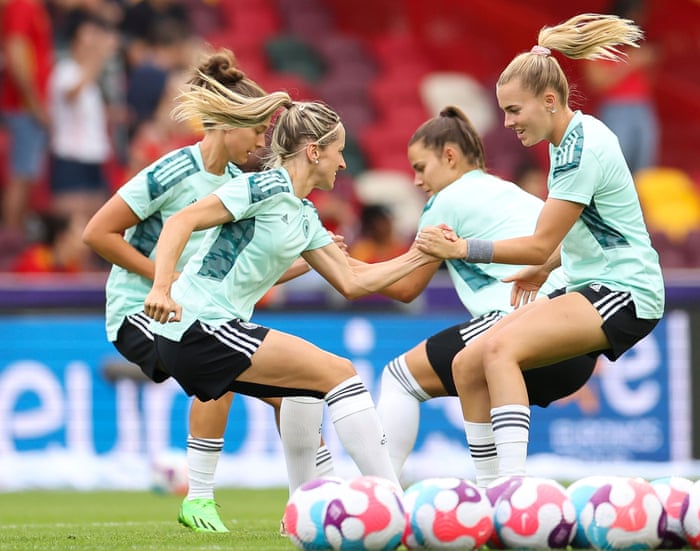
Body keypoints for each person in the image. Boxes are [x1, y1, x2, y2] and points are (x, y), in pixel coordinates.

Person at [141, 97, 440, 522]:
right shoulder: (262, 187)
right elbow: (178, 222)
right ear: (314, 151)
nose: (342, 162)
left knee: (303, 395)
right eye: (338, 150)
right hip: (195, 323)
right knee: (341, 374)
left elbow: (352, 281)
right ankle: (395, 504)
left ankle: (304, 513)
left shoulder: (304, 215)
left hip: (209, 328)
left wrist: (421, 254)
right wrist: (161, 288)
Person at [83, 49, 330, 534]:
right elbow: (97, 234)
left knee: (296, 392)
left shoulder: (242, 184)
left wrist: (304, 263)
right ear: (223, 123)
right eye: (256, 129)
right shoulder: (173, 172)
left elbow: (239, 272)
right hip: (139, 310)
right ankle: (198, 499)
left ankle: (310, 505)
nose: (262, 142)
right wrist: (164, 278)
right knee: (217, 357)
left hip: (195, 308)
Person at [414, 14, 664, 481]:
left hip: (626, 289)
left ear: (549, 101)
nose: (506, 123)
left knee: (498, 350)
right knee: (468, 362)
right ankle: (490, 494)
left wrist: (463, 248)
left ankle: (511, 491)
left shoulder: (579, 148)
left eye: (514, 110)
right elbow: (577, 232)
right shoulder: (568, 141)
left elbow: (541, 240)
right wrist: (546, 266)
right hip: (593, 283)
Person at [374, 106, 597, 486]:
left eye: (421, 167)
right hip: (576, 346)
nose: (415, 180)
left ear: (450, 156)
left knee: (398, 379)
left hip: (517, 325)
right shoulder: (510, 192)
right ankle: (499, 497)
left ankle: (381, 497)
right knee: (476, 377)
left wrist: (334, 263)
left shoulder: (446, 201)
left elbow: (406, 287)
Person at [48, 12, 119, 226]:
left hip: (94, 155)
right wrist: (99, 58)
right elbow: (71, 94)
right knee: (71, 219)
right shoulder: (64, 70)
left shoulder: (89, 77)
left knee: (95, 217)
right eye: (87, 38)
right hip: (72, 154)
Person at [582, 0, 659, 175]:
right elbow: (597, 82)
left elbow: (649, 80)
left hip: (643, 106)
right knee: (617, 165)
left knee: (644, 166)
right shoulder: (599, 45)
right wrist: (631, 63)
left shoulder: (638, 42)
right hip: (616, 107)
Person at [0, 0, 53, 235]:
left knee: (24, 177)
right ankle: (10, 243)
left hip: (24, 106)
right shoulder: (24, 5)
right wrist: (35, 106)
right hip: (23, 108)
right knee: (21, 177)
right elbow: (16, 51)